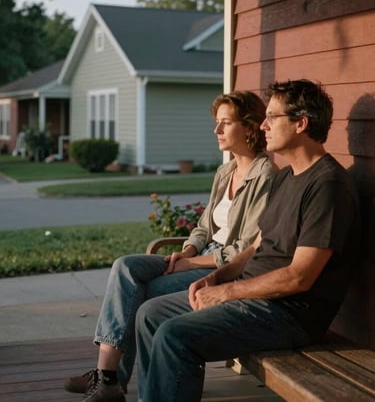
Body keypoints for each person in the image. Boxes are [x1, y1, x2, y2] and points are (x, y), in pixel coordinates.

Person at [135, 79, 361, 402]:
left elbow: (299, 277)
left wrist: (225, 293)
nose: (264, 125)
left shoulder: (328, 186)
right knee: (150, 314)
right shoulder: (286, 176)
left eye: (272, 117)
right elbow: (256, 245)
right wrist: (215, 278)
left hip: (288, 314)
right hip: (252, 297)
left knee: (174, 335)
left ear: (301, 123)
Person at [64, 90, 277, 402]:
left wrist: (193, 265)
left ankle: (110, 380)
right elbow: (205, 226)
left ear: (249, 127)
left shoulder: (265, 175)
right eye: (216, 123)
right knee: (126, 266)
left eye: (225, 123)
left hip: (222, 270)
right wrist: (189, 250)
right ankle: (107, 375)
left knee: (144, 296)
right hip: (201, 256)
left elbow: (245, 248)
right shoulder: (225, 171)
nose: (216, 131)